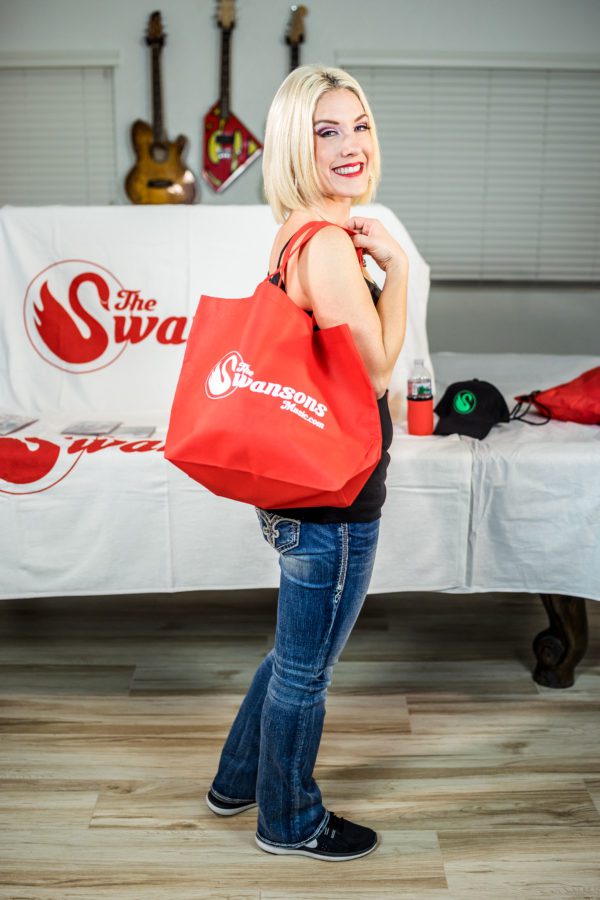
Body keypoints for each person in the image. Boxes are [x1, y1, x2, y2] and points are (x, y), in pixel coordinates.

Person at [206, 64, 409, 862]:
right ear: (297, 144)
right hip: (334, 504)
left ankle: (237, 779)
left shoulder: (298, 230)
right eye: (327, 131)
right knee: (306, 675)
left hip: (300, 498)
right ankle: (288, 820)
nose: (351, 144)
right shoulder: (326, 244)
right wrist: (401, 271)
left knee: (293, 657)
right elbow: (381, 371)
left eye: (358, 124)